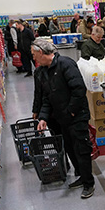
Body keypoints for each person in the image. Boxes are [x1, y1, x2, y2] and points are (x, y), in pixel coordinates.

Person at [32, 38, 95, 199]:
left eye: (34, 54)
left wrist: (71, 112)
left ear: (40, 52)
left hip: (76, 116)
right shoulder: (44, 71)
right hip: (63, 118)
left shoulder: (65, 64)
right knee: (70, 149)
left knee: (81, 150)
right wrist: (43, 117)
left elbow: (79, 89)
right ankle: (81, 177)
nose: (33, 58)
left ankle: (89, 184)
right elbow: (47, 98)